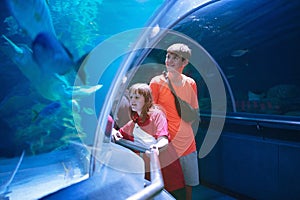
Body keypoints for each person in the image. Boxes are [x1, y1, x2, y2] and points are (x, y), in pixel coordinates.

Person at [112, 83, 186, 198]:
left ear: (146, 99)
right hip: (150, 172)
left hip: (168, 170)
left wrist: (156, 147)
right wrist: (112, 132)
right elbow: (118, 133)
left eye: (137, 97)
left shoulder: (157, 115)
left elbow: (164, 139)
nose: (132, 101)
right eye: (131, 97)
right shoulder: (134, 122)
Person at [150, 43, 200, 200]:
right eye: (168, 56)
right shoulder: (156, 82)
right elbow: (150, 113)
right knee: (168, 188)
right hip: (167, 146)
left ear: (184, 62)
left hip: (188, 145)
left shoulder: (191, 83)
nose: (169, 61)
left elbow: (193, 113)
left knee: (188, 185)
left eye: (175, 58)